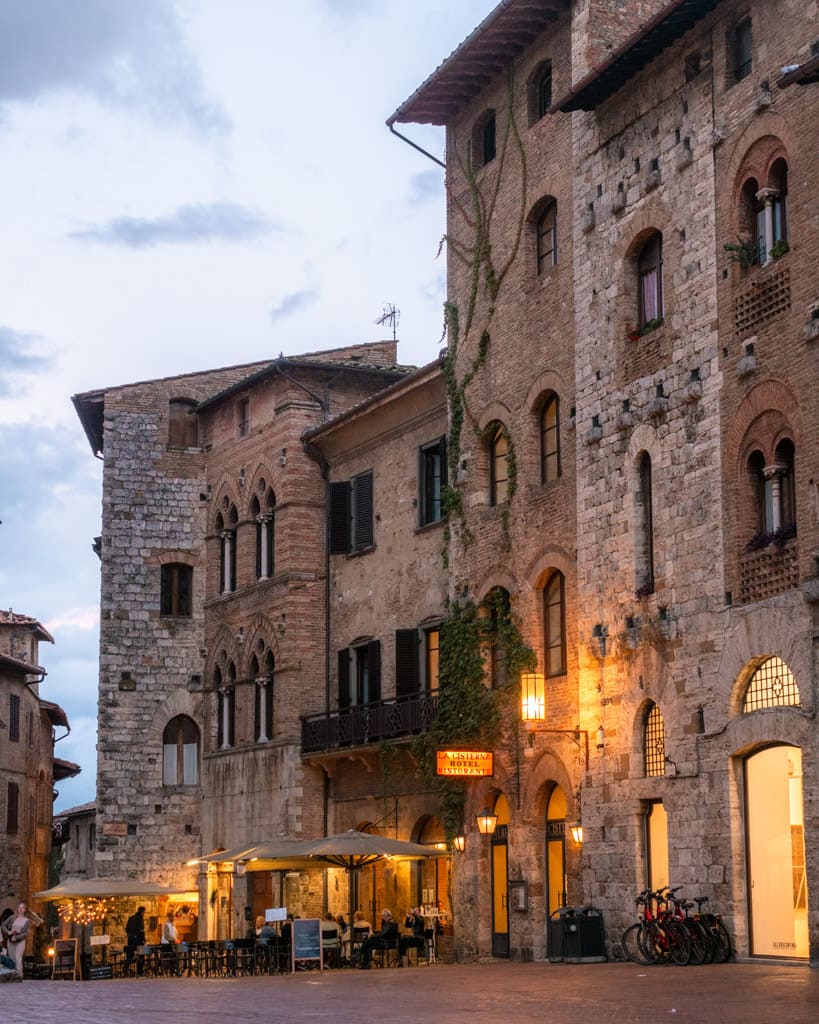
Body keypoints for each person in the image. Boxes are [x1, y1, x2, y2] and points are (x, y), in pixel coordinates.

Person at [1, 903, 30, 978]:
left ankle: (19, 976)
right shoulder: (12, 917)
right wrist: (8, 932)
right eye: (19, 907)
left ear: (25, 910)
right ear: (17, 908)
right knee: (11, 957)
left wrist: (17, 937)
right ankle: (12, 976)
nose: (20, 909)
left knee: (18, 957)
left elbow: (25, 933)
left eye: (22, 908)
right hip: (10, 940)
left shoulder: (26, 920)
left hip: (20, 941)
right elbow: (3, 926)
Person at [161, 911, 179, 975]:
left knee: (175, 955)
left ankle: (173, 969)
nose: (173, 917)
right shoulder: (166, 924)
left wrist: (176, 939)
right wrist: (173, 940)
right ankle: (169, 969)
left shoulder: (173, 924)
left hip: (172, 943)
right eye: (172, 916)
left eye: (174, 916)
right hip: (166, 944)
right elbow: (166, 935)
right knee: (171, 956)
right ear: (169, 917)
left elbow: (175, 933)